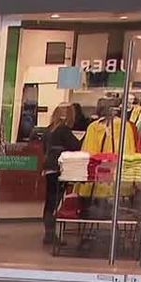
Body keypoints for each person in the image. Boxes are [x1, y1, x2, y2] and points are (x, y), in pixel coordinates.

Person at [42, 104, 82, 245]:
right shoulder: (64, 130)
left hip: (48, 168)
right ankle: (52, 235)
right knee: (56, 202)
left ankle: (48, 234)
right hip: (59, 169)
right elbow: (76, 146)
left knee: (50, 201)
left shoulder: (48, 130)